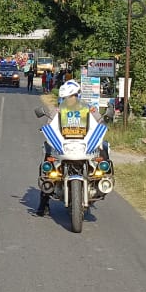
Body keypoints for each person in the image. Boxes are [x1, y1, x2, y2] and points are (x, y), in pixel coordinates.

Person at [34, 79, 106, 217]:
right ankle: (44, 200)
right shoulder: (58, 111)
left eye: (72, 96)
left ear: (77, 95)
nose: (70, 99)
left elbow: (100, 121)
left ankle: (102, 182)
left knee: (104, 151)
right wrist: (47, 129)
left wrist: (103, 121)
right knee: (46, 161)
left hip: (84, 145)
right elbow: (51, 125)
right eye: (66, 97)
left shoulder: (88, 109)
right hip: (64, 145)